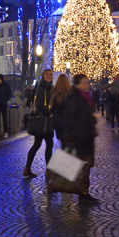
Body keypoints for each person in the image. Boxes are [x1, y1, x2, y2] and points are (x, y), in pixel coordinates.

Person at [61, 73, 99, 203]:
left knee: (86, 166)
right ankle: (83, 194)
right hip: (79, 138)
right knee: (83, 166)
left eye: (87, 82)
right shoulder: (73, 98)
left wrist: (91, 119)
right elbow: (70, 119)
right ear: (77, 84)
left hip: (86, 136)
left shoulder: (85, 96)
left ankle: (84, 192)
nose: (87, 85)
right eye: (84, 82)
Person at [23, 69, 54, 178]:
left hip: (43, 121)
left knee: (37, 144)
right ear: (43, 76)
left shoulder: (48, 87)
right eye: (47, 74)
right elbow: (39, 104)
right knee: (49, 144)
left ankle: (27, 168)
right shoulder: (42, 87)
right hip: (44, 121)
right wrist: (49, 113)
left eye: (50, 74)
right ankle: (48, 170)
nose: (49, 76)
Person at [50, 74, 72, 140]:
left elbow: (52, 107)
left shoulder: (54, 92)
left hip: (58, 120)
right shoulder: (71, 92)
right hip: (68, 120)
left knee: (60, 139)